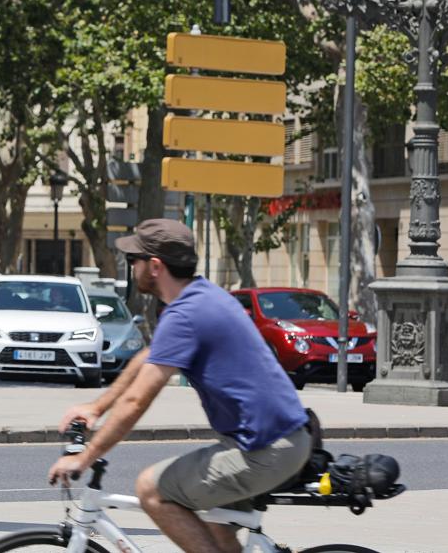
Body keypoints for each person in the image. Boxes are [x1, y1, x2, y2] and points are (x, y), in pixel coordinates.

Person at [47, 219, 310, 553]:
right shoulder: (201, 297)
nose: (131, 268)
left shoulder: (187, 314)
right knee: (217, 524)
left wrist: (85, 458)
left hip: (265, 450)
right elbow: (150, 357)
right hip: (269, 441)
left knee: (151, 489)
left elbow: (136, 402)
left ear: (155, 266)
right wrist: (96, 407)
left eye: (134, 261)